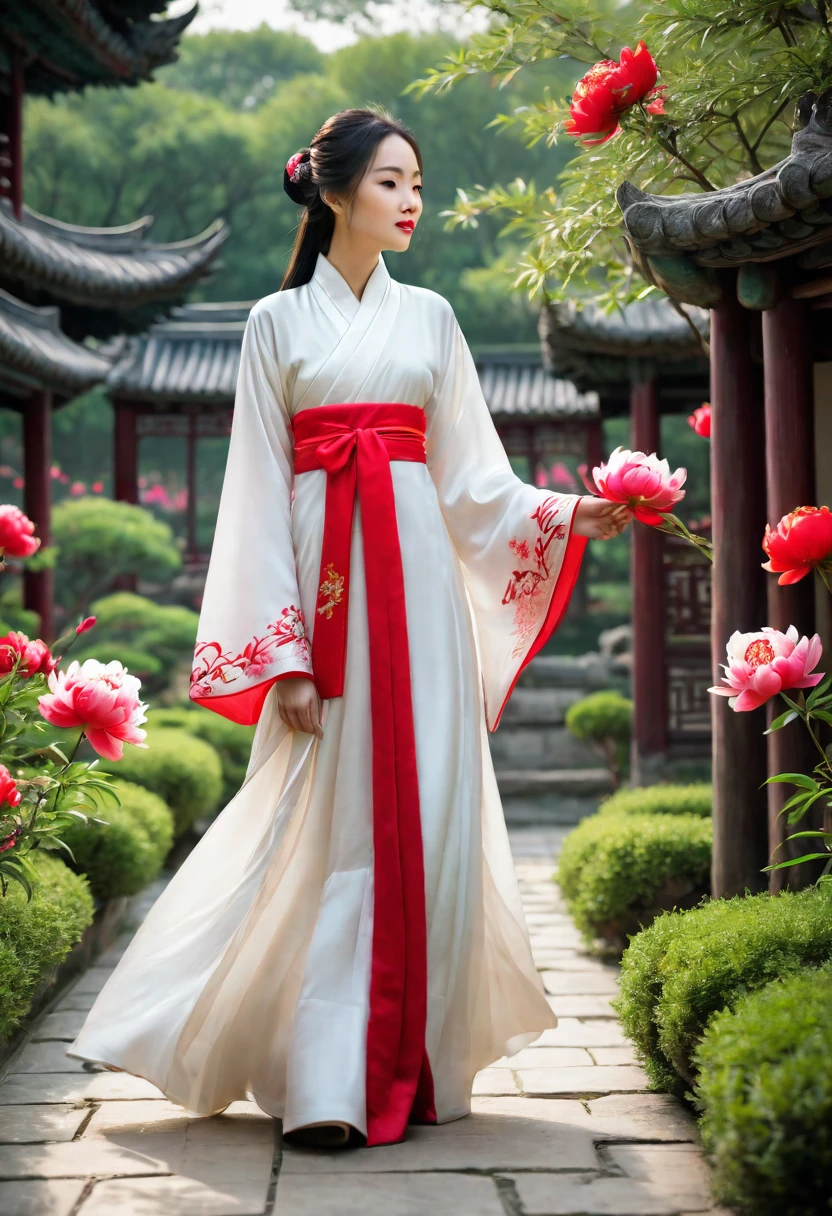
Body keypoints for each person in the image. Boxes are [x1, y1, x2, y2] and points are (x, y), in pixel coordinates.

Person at [67, 107, 630, 1149]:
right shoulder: (274, 326)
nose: (411, 201)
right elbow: (253, 495)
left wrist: (562, 513)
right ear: (332, 192)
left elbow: (472, 481)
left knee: (425, 822)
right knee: (323, 829)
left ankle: (410, 1058)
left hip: (419, 608)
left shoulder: (432, 321)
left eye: (417, 182)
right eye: (390, 182)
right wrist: (279, 651)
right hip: (323, 613)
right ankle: (326, 1075)